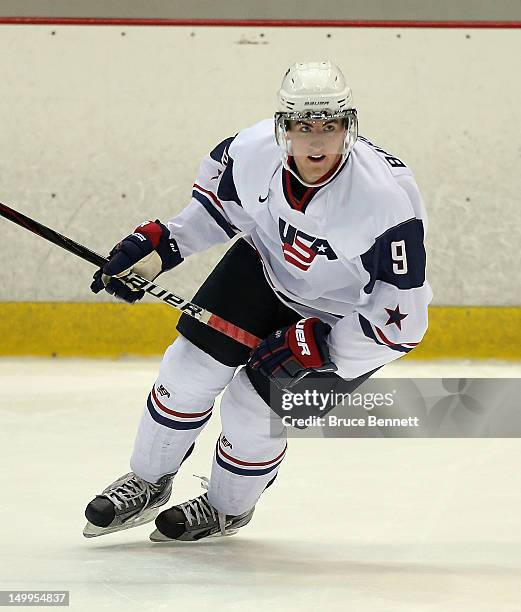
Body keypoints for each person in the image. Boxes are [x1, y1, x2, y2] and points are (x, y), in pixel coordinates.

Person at [84, 60, 432, 542]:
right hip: (264, 268)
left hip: (342, 315)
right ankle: (146, 481)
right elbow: (214, 211)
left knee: (253, 407)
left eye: (329, 126)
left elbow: (403, 323)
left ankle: (227, 508)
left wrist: (326, 346)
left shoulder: (384, 203)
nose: (316, 142)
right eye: (302, 126)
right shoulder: (249, 152)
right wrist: (161, 247)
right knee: (188, 368)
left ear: (348, 127)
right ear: (282, 127)